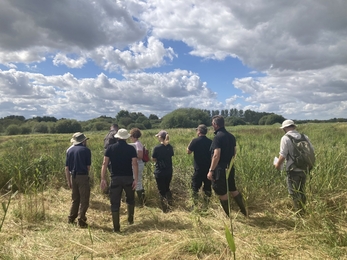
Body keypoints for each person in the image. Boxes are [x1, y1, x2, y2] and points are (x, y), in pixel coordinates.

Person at [207, 115, 247, 217]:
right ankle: (244, 211)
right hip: (230, 166)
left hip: (220, 168)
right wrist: (230, 165)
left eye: (212, 124)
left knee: (221, 191)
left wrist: (211, 170)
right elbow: (234, 153)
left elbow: (216, 155)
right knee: (233, 188)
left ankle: (228, 216)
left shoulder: (217, 137)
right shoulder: (231, 136)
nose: (212, 126)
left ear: (215, 125)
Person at [100, 128, 138, 232]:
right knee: (130, 199)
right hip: (128, 178)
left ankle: (116, 228)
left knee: (115, 203)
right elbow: (134, 164)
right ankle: (130, 220)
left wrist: (103, 178)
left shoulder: (110, 148)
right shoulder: (131, 149)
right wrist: (136, 179)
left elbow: (104, 163)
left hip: (115, 178)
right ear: (126, 138)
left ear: (117, 137)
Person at [274, 119, 314, 213]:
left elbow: (283, 155)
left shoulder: (285, 138)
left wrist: (277, 165)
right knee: (302, 191)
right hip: (305, 168)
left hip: (293, 170)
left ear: (284, 128)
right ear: (294, 127)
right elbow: (311, 151)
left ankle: (299, 214)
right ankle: (303, 210)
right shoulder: (304, 137)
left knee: (293, 192)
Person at [65, 132, 91, 228]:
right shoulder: (86, 151)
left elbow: (67, 168)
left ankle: (71, 218)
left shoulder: (70, 151)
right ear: (83, 141)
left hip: (73, 176)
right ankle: (81, 220)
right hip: (82, 176)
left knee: (75, 199)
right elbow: (88, 167)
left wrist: (69, 181)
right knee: (84, 199)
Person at [187, 124, 212, 208]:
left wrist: (191, 141)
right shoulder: (210, 141)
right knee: (207, 187)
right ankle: (206, 205)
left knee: (195, 187)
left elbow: (188, 151)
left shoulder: (195, 141)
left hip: (198, 168)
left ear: (199, 131)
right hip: (209, 169)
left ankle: (194, 205)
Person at [152, 130, 174, 213]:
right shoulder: (170, 147)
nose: (157, 138)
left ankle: (164, 209)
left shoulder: (157, 148)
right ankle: (170, 205)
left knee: (161, 191)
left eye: (158, 136)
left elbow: (153, 159)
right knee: (167, 188)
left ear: (161, 137)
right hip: (169, 171)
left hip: (160, 171)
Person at [129, 128, 146, 207]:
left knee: (138, 182)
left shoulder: (137, 144)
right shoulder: (137, 143)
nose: (130, 138)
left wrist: (132, 156)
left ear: (133, 136)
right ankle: (142, 201)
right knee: (138, 182)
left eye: (130, 136)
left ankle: (142, 202)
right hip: (138, 164)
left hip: (138, 164)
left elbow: (140, 155)